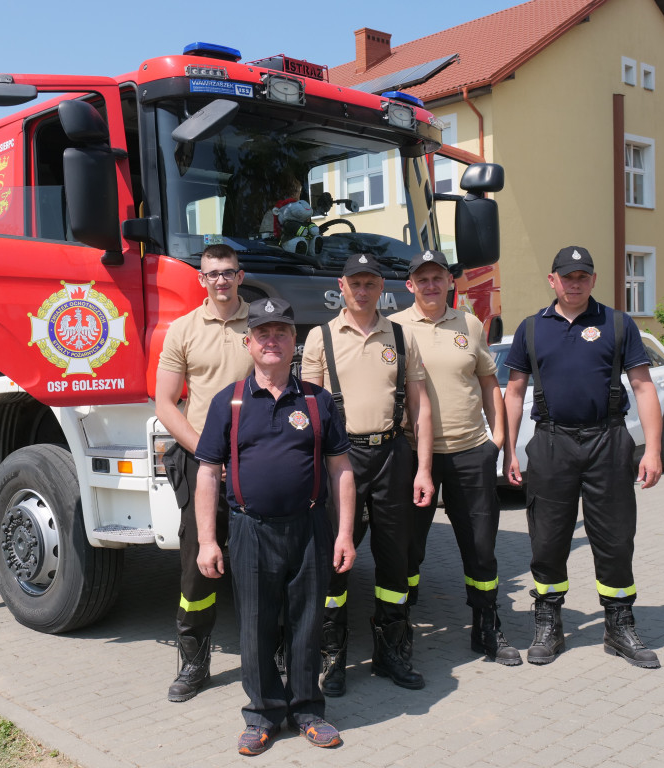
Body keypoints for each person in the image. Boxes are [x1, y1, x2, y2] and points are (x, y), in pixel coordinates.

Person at [195, 297, 356, 756]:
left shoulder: (317, 400)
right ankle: (263, 714)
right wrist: (208, 540)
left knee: (307, 623)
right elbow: (208, 471)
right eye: (262, 333)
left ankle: (308, 710)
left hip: (309, 529)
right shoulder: (229, 401)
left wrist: (343, 533)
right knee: (256, 626)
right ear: (248, 343)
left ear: (294, 342)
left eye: (281, 332)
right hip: (251, 531)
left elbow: (342, 469)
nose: (272, 340)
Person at [503, 245, 662, 668]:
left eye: (582, 276)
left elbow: (645, 388)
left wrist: (654, 450)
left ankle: (618, 625)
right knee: (548, 537)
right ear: (552, 280)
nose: (575, 283)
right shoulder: (532, 328)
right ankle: (548, 623)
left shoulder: (617, 323)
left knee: (614, 537)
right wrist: (508, 452)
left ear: (592, 280)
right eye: (567, 276)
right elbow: (514, 393)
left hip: (608, 441)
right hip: (552, 443)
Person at [301, 253, 435, 695]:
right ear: (342, 287)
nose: (362, 291)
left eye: (370, 284)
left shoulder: (399, 335)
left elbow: (420, 405)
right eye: (355, 283)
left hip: (394, 456)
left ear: (382, 287)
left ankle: (391, 650)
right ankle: (332, 655)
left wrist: (425, 469)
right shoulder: (321, 337)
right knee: (335, 563)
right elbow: (310, 410)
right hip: (342, 461)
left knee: (395, 560)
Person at [395, 250, 521, 666]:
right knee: (408, 547)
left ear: (450, 282)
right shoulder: (394, 327)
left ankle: (486, 627)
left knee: (480, 546)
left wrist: (497, 440)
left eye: (438, 278)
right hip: (416, 456)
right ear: (410, 285)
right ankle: (401, 628)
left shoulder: (468, 324)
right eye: (422, 279)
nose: (431, 285)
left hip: (470, 452)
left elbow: (489, 384)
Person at [155, 243, 253, 702]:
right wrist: (206, 450)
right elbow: (165, 403)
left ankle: (270, 655)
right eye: (212, 273)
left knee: (268, 560)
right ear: (201, 279)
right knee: (199, 564)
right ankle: (194, 662)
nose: (220, 280)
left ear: (240, 275)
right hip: (203, 464)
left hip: (257, 462)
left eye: (228, 272)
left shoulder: (263, 324)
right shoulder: (182, 330)